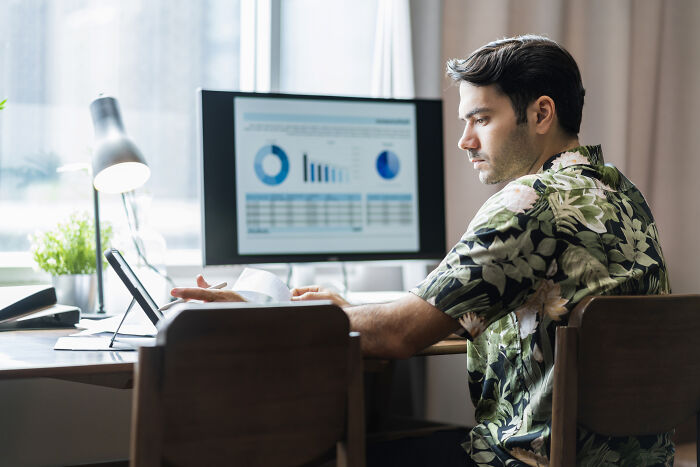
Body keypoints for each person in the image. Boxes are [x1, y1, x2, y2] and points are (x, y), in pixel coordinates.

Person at [172, 35, 672, 466]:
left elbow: (397, 337)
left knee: (322, 452)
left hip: (528, 458)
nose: (464, 141)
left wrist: (272, 310)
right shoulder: (622, 192)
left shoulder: (529, 201)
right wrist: (356, 310)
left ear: (541, 113)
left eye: (480, 118)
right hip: (633, 457)